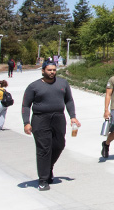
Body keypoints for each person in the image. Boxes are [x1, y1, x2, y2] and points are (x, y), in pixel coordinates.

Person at [22, 61, 79, 191]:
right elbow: (25, 105)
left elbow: (69, 100)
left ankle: (48, 167)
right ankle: (43, 179)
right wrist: (26, 122)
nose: (52, 72)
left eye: (54, 70)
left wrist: (73, 116)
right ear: (43, 71)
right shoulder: (33, 86)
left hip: (58, 118)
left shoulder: (63, 83)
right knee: (44, 149)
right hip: (40, 119)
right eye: (49, 70)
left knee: (59, 145)